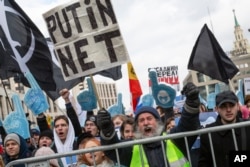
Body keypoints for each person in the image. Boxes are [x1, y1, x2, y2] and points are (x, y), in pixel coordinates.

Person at [97, 82, 200, 167]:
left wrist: (192, 101)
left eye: (149, 118)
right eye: (141, 120)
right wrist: (107, 128)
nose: (146, 123)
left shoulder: (174, 138)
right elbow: (111, 149)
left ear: (158, 121)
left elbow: (189, 125)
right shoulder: (131, 147)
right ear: (137, 127)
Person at [199, 91, 250, 167]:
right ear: (216, 109)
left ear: (238, 106)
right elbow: (204, 163)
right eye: (223, 106)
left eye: (231, 105)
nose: (228, 109)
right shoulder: (208, 133)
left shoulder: (247, 127)